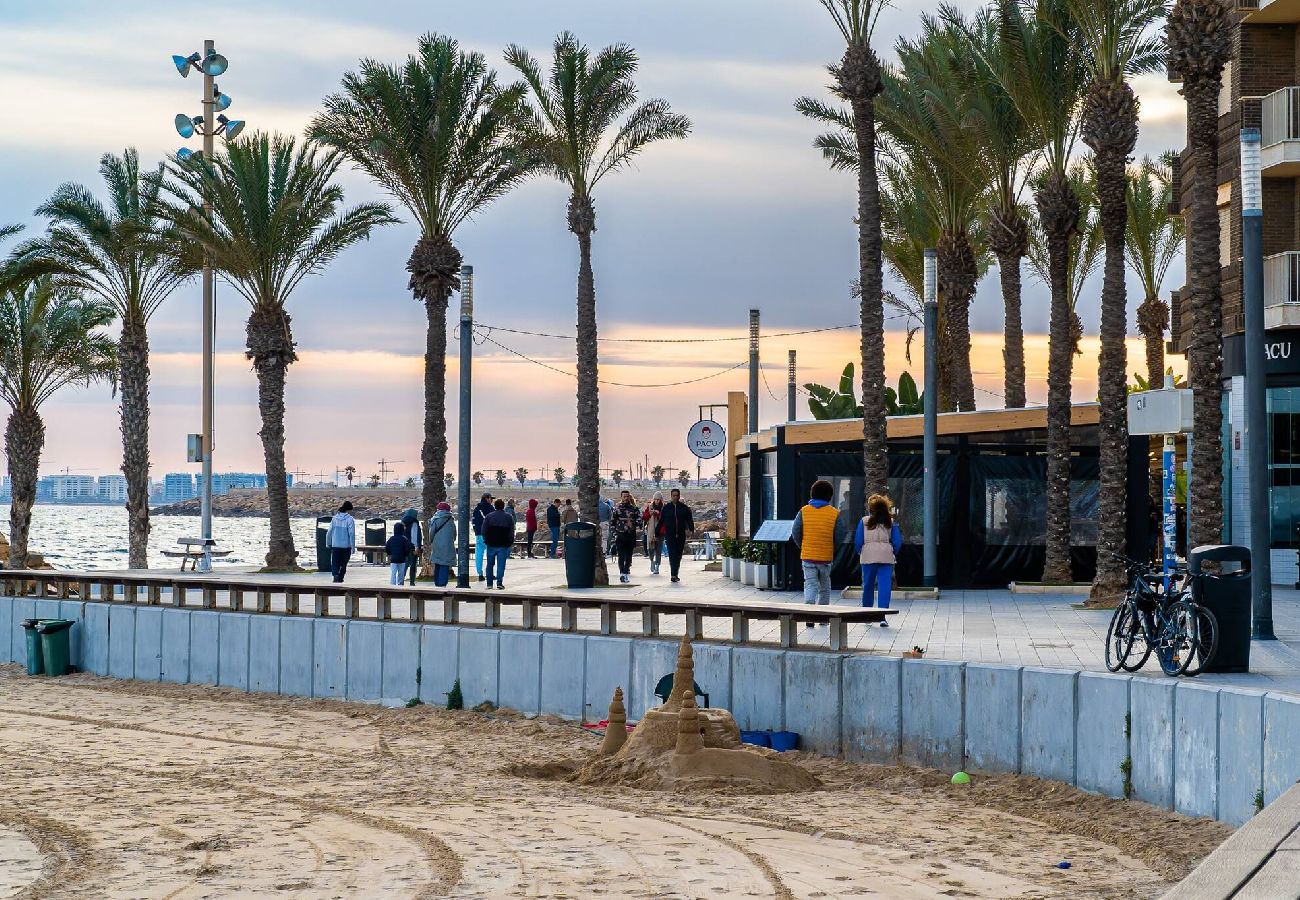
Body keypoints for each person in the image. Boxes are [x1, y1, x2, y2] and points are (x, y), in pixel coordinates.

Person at [791, 480, 847, 615]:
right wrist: (832, 548)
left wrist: (803, 546)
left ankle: (809, 614)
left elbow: (795, 532)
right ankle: (823, 615)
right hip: (826, 557)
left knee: (810, 585)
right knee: (825, 587)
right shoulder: (834, 513)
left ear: (812, 494)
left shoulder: (803, 511)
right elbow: (840, 535)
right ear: (830, 496)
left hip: (808, 556)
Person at [854, 493, 902, 625]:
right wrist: (892, 551)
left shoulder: (864, 521)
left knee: (868, 585)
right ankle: (882, 617)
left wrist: (861, 551)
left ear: (870, 509)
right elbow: (897, 542)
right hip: (886, 557)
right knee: (884, 586)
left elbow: (858, 541)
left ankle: (867, 615)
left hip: (868, 557)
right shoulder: (891, 522)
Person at [660, 488, 695, 583]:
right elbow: (661, 521)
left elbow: (689, 520)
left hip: (680, 535)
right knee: (672, 554)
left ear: (679, 496)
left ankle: (676, 572)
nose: (675, 497)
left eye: (677, 495)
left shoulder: (684, 508)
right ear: (671, 496)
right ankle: (673, 574)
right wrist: (656, 533)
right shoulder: (666, 508)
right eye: (673, 495)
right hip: (670, 535)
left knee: (678, 555)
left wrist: (691, 530)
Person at [483, 498, 515, 589]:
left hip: (491, 544)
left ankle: (489, 583)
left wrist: (486, 540)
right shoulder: (509, 517)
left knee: (490, 564)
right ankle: (499, 583)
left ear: (495, 506)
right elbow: (511, 532)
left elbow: (483, 530)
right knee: (501, 564)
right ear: (503, 506)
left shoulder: (489, 516)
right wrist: (510, 542)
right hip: (503, 544)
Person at [611, 490, 641, 583]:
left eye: (627, 496)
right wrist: (613, 534)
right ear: (621, 497)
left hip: (630, 534)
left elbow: (639, 520)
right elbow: (613, 521)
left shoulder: (634, 509)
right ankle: (622, 574)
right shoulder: (617, 508)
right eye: (624, 496)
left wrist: (633, 523)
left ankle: (626, 571)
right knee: (621, 555)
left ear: (629, 497)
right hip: (620, 534)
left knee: (628, 555)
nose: (626, 498)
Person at [325, 501, 356, 583]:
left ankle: (335, 574)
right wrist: (353, 547)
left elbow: (329, 532)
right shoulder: (350, 519)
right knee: (344, 563)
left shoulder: (334, 518)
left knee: (335, 562)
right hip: (346, 546)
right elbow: (351, 533)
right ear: (349, 510)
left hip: (335, 545)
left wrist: (328, 543)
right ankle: (341, 577)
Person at [428, 501, 456, 587]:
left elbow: (431, 533)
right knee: (445, 564)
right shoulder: (451, 520)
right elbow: (454, 535)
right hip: (448, 545)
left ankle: (437, 582)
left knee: (438, 563)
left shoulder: (435, 519)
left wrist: (431, 541)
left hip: (437, 544)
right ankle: (442, 583)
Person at [471, 492, 494, 581]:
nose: (491, 500)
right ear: (487, 499)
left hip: (479, 534)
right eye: (491, 498)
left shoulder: (477, 509)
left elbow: (473, 521)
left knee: (479, 554)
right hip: (489, 534)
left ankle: (480, 574)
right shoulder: (490, 508)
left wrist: (476, 531)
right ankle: (490, 574)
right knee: (490, 554)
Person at [643, 493, 665, 575]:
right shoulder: (649, 507)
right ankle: (652, 561)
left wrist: (658, 513)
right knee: (651, 549)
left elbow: (665, 519)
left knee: (658, 550)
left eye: (658, 499)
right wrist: (650, 513)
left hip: (660, 532)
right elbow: (644, 517)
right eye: (655, 499)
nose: (657, 501)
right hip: (651, 531)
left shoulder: (664, 508)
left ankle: (657, 566)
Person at [386, 521, 413, 586]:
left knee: (393, 573)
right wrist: (406, 554)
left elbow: (387, 547)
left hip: (393, 559)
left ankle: (392, 585)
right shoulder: (404, 539)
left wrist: (390, 553)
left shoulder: (391, 538)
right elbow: (407, 548)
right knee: (401, 573)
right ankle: (400, 585)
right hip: (402, 559)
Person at [401, 508, 423, 585]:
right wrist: (416, 547)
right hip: (412, 547)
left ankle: (401, 580)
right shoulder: (414, 523)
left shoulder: (402, 522)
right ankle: (412, 582)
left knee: (404, 565)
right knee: (413, 565)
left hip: (403, 547)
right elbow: (414, 536)